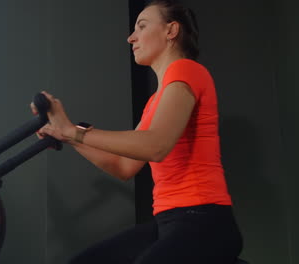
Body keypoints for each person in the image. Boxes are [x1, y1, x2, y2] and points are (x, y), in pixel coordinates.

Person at [32, 0, 243, 263]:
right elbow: (123, 166)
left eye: (142, 26)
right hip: (169, 222)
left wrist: (72, 131)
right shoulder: (156, 100)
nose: (131, 37)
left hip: (204, 221)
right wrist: (65, 134)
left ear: (171, 30)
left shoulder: (186, 69)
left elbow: (156, 145)